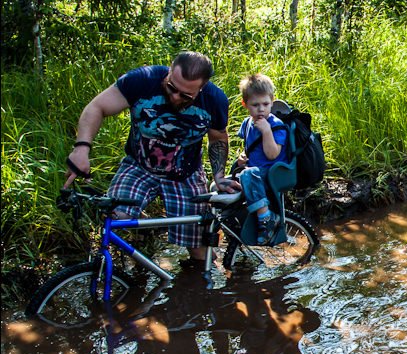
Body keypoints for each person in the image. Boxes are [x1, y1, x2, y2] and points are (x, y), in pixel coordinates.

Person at [63, 51, 236, 262]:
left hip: (185, 174)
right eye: (172, 87)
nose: (174, 97)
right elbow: (97, 107)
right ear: (170, 70)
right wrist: (81, 148)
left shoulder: (214, 100)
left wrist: (218, 176)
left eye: (185, 96)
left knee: (200, 253)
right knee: (118, 219)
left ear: (201, 88)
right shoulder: (142, 80)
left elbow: (218, 137)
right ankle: (146, 234)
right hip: (139, 167)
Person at [232, 73, 289, 244]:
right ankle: (233, 224)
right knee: (221, 183)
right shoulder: (247, 123)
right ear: (245, 104)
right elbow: (250, 147)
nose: (261, 109)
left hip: (273, 172)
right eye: (255, 105)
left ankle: (267, 218)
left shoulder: (276, 125)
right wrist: (242, 157)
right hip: (256, 172)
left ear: (272, 101)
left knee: (248, 175)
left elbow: (273, 154)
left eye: (265, 104)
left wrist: (266, 131)